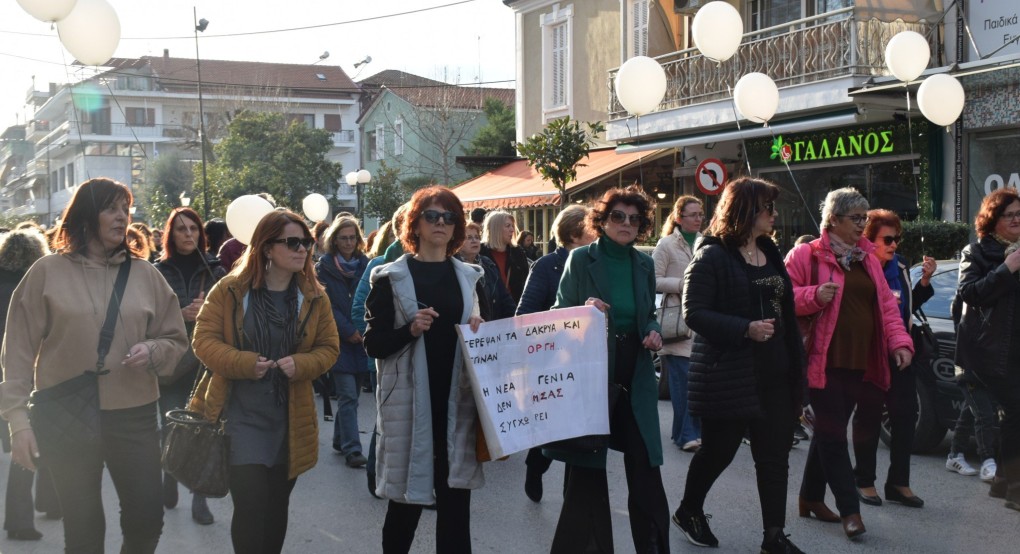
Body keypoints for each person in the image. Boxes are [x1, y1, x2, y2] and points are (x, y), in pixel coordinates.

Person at [0, 177, 189, 553]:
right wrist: (18, 423)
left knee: (147, 518)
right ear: (86, 216)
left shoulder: (145, 274)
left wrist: (153, 351)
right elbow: (17, 353)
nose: (123, 217)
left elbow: (176, 338)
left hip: (134, 415)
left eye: (126, 209)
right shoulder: (46, 272)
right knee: (83, 530)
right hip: (66, 413)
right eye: (111, 208)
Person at [191, 210, 339, 553]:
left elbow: (329, 348)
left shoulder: (314, 295)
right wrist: (243, 362)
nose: (302, 249)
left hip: (290, 418)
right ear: (267, 248)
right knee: (251, 504)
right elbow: (203, 340)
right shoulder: (231, 289)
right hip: (239, 416)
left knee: (276, 505)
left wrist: (301, 364)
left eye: (306, 242)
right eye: (292, 242)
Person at [672, 179, 804, 553]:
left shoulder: (770, 249)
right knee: (719, 451)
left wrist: (797, 365)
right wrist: (744, 328)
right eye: (768, 208)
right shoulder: (712, 255)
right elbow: (693, 312)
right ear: (746, 210)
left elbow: (786, 311)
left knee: (774, 457)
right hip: (729, 372)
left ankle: (774, 537)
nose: (774, 215)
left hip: (775, 371)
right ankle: (688, 510)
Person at [786, 187, 913, 540]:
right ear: (834, 219)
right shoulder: (806, 254)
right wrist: (813, 296)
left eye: (865, 218)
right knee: (832, 434)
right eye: (856, 218)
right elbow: (780, 297)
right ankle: (850, 510)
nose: (862, 225)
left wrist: (901, 343)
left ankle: (810, 497)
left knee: (831, 429)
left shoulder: (867, 258)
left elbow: (887, 307)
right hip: (821, 360)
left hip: (859, 360)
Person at [363, 186, 485, 553]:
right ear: (414, 224)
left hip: (456, 402)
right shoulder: (391, 277)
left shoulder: (470, 277)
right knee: (405, 503)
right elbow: (374, 344)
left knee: (455, 505)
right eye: (432, 216)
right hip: (410, 402)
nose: (441, 224)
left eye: (450, 218)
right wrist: (410, 329)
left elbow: (489, 332)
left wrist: (480, 326)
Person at [549, 185, 669, 553]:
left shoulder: (644, 263)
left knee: (646, 469)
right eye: (618, 216)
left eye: (635, 219)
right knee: (587, 473)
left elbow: (648, 314)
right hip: (592, 376)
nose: (626, 224)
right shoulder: (582, 259)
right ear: (602, 220)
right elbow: (557, 315)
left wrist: (653, 331)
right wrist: (583, 311)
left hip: (635, 374)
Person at [851, 209, 934, 509]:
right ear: (868, 239)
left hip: (901, 350)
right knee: (869, 417)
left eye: (897, 238)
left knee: (906, 416)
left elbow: (904, 306)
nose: (894, 244)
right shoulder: (858, 266)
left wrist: (923, 284)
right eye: (887, 239)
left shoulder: (899, 265)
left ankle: (898, 483)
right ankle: (864, 480)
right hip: (870, 352)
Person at [515, 204, 594, 503]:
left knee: (583, 432)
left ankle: (573, 497)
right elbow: (525, 314)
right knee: (550, 426)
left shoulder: (595, 263)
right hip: (553, 361)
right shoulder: (547, 265)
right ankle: (536, 466)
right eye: (592, 228)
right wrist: (566, 323)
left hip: (587, 362)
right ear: (575, 233)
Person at [153, 207, 227, 525]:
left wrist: (206, 313)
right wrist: (178, 315)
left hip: (204, 362)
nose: (188, 235)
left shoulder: (216, 270)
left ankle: (199, 496)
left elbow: (232, 311)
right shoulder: (157, 270)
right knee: (171, 424)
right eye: (182, 229)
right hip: (170, 362)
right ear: (171, 233)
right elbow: (144, 316)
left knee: (203, 429)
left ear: (201, 234)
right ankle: (169, 476)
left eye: (194, 229)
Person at [954, 187, 1020, 512]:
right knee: (1016, 411)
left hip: (1016, 347)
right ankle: (1014, 489)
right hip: (988, 351)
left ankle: (1001, 483)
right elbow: (969, 293)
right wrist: (1006, 269)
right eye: (1011, 215)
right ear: (994, 220)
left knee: (1012, 414)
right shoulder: (976, 252)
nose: (1017, 220)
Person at [0, 228, 58, 541]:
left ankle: (32, 511)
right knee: (40, 436)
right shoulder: (38, 284)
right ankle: (37, 509)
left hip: (7, 371)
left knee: (24, 437)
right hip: (34, 369)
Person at [315, 215, 370, 468]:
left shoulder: (365, 265)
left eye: (352, 238)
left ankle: (339, 439)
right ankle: (352, 449)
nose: (348, 243)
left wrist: (362, 328)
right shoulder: (323, 267)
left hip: (362, 339)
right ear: (334, 240)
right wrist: (347, 329)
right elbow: (326, 305)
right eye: (343, 238)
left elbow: (370, 299)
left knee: (353, 396)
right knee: (347, 395)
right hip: (336, 339)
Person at [653, 195, 704, 454]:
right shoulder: (666, 245)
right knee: (682, 383)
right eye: (693, 214)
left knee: (696, 383)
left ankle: (683, 433)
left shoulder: (706, 242)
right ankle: (687, 435)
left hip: (701, 321)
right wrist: (681, 284)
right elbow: (653, 279)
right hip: (676, 322)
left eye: (700, 214)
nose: (698, 219)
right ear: (679, 217)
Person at [458, 221, 515, 321]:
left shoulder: (488, 263)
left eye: (477, 237)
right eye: (469, 237)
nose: (474, 241)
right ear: (458, 242)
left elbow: (504, 296)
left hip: (492, 327)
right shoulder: (454, 267)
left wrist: (515, 319)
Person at [480, 210, 530, 304]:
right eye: (508, 226)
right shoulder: (480, 252)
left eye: (512, 226)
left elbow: (526, 283)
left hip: (514, 309)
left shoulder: (518, 253)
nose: (512, 229)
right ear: (495, 229)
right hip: (490, 311)